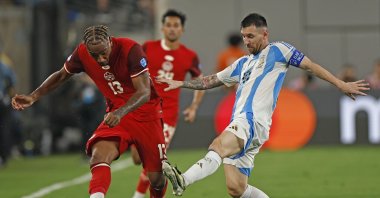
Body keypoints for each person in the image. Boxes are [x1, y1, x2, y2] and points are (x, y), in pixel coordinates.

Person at [158, 13, 370, 197]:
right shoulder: (242, 63)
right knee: (236, 189)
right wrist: (181, 83)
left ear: (264, 34)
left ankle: (183, 180)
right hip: (249, 126)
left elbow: (311, 66)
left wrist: (340, 84)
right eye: (243, 37)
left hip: (251, 121)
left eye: (250, 36)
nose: (246, 41)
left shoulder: (279, 51)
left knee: (218, 146)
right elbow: (210, 81)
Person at [12, 25, 167, 198]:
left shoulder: (131, 49)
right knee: (98, 155)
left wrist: (120, 112)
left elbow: (144, 92)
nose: (100, 59)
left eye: (103, 53)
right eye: (95, 55)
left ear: (109, 41)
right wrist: (33, 96)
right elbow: (62, 75)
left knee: (156, 179)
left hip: (146, 115)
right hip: (116, 115)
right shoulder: (82, 53)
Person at [131, 9, 205, 198]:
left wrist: (194, 107)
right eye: (169, 25)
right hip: (141, 110)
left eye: (176, 26)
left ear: (182, 30)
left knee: (154, 162)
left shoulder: (189, 55)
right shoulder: (147, 47)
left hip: (167, 116)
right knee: (137, 158)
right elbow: (131, 71)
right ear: (163, 28)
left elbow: (200, 81)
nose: (172, 29)